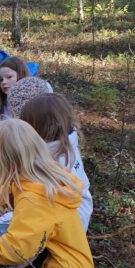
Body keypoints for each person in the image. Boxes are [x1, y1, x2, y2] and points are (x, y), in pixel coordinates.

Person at [0, 119, 104, 268]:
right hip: (63, 267)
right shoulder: (39, 174)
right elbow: (9, 187)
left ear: (2, 162)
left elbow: (14, 251)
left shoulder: (35, 199)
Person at [18, 93, 92, 230]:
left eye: (28, 125)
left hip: (69, 225)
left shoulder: (57, 158)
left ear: (43, 126)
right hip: (74, 216)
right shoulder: (65, 142)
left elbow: (41, 199)